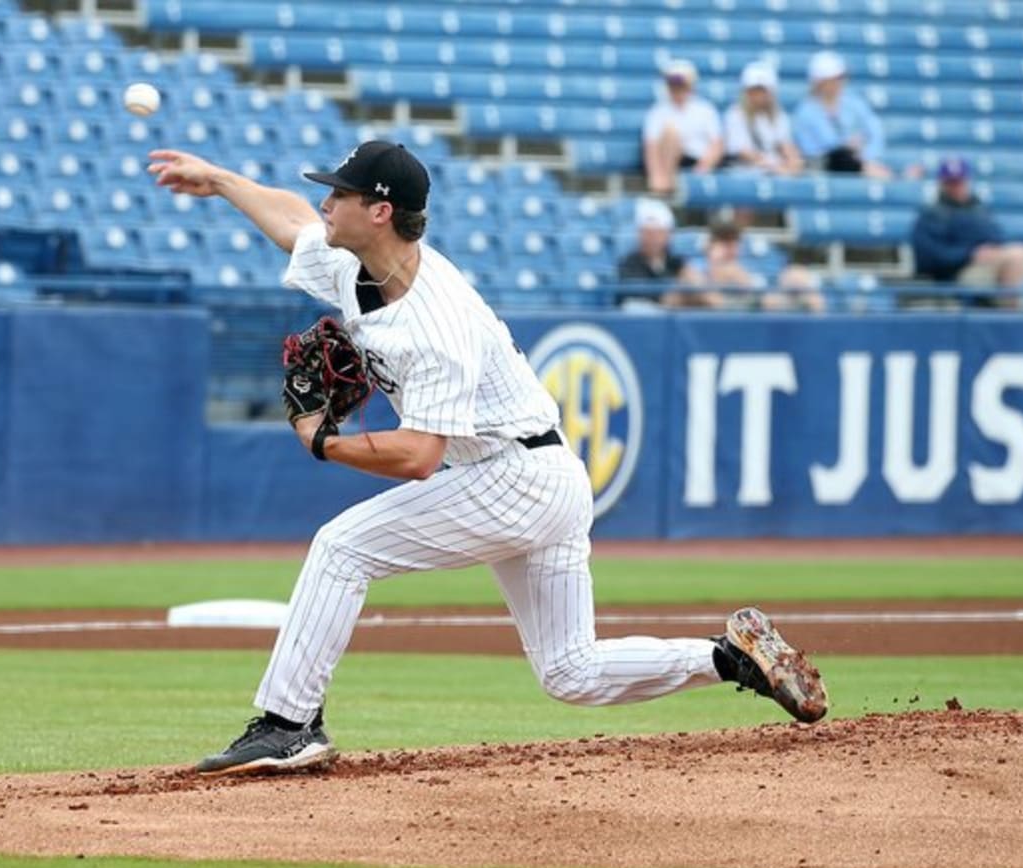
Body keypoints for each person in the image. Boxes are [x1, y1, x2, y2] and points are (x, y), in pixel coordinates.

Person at [147, 140, 828, 776]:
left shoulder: (436, 326)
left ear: (379, 212)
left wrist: (321, 441)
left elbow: (417, 456)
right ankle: (731, 658)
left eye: (342, 194)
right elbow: (294, 221)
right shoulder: (358, 261)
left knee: (341, 547)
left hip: (516, 477)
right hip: (537, 474)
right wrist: (223, 181)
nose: (327, 203)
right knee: (570, 671)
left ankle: (289, 722)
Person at [911, 157, 1023, 310]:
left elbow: (998, 237)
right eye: (951, 182)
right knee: (1014, 256)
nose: (956, 187)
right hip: (962, 271)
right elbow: (928, 257)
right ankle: (1013, 322)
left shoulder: (978, 208)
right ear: (942, 183)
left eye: (960, 181)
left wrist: (998, 250)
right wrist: (970, 254)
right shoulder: (931, 215)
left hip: (996, 259)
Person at [792, 51, 891, 179]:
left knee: (856, 162)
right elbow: (813, 151)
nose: (837, 83)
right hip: (824, 168)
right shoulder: (805, 112)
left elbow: (875, 133)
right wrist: (847, 148)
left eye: (839, 78)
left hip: (858, 163)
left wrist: (864, 157)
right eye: (832, 79)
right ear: (819, 82)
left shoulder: (854, 104)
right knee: (840, 158)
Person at [695, 219, 826, 313]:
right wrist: (716, 261)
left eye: (734, 242)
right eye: (725, 242)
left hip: (769, 299)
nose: (732, 248)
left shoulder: (751, 259)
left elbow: (781, 273)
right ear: (712, 243)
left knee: (798, 276)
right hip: (742, 309)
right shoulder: (701, 263)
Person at [642, 59, 724, 195]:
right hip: (667, 164)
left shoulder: (705, 110)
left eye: (680, 82)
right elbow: (651, 146)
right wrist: (656, 176)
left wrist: (700, 171)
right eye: (672, 83)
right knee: (671, 132)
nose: (676, 87)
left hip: (697, 162)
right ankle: (665, 186)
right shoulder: (657, 111)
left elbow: (717, 145)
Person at [615, 198, 709, 309]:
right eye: (648, 233)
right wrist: (673, 294)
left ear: (668, 234)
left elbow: (696, 283)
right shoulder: (629, 264)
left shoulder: (676, 262)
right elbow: (637, 294)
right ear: (640, 234)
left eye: (658, 233)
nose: (652, 239)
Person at [723, 62, 803, 176]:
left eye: (762, 91)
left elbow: (786, 146)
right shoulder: (735, 115)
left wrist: (794, 163)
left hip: (775, 172)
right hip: (744, 173)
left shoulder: (779, 116)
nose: (758, 95)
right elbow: (744, 153)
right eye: (754, 91)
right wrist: (774, 166)